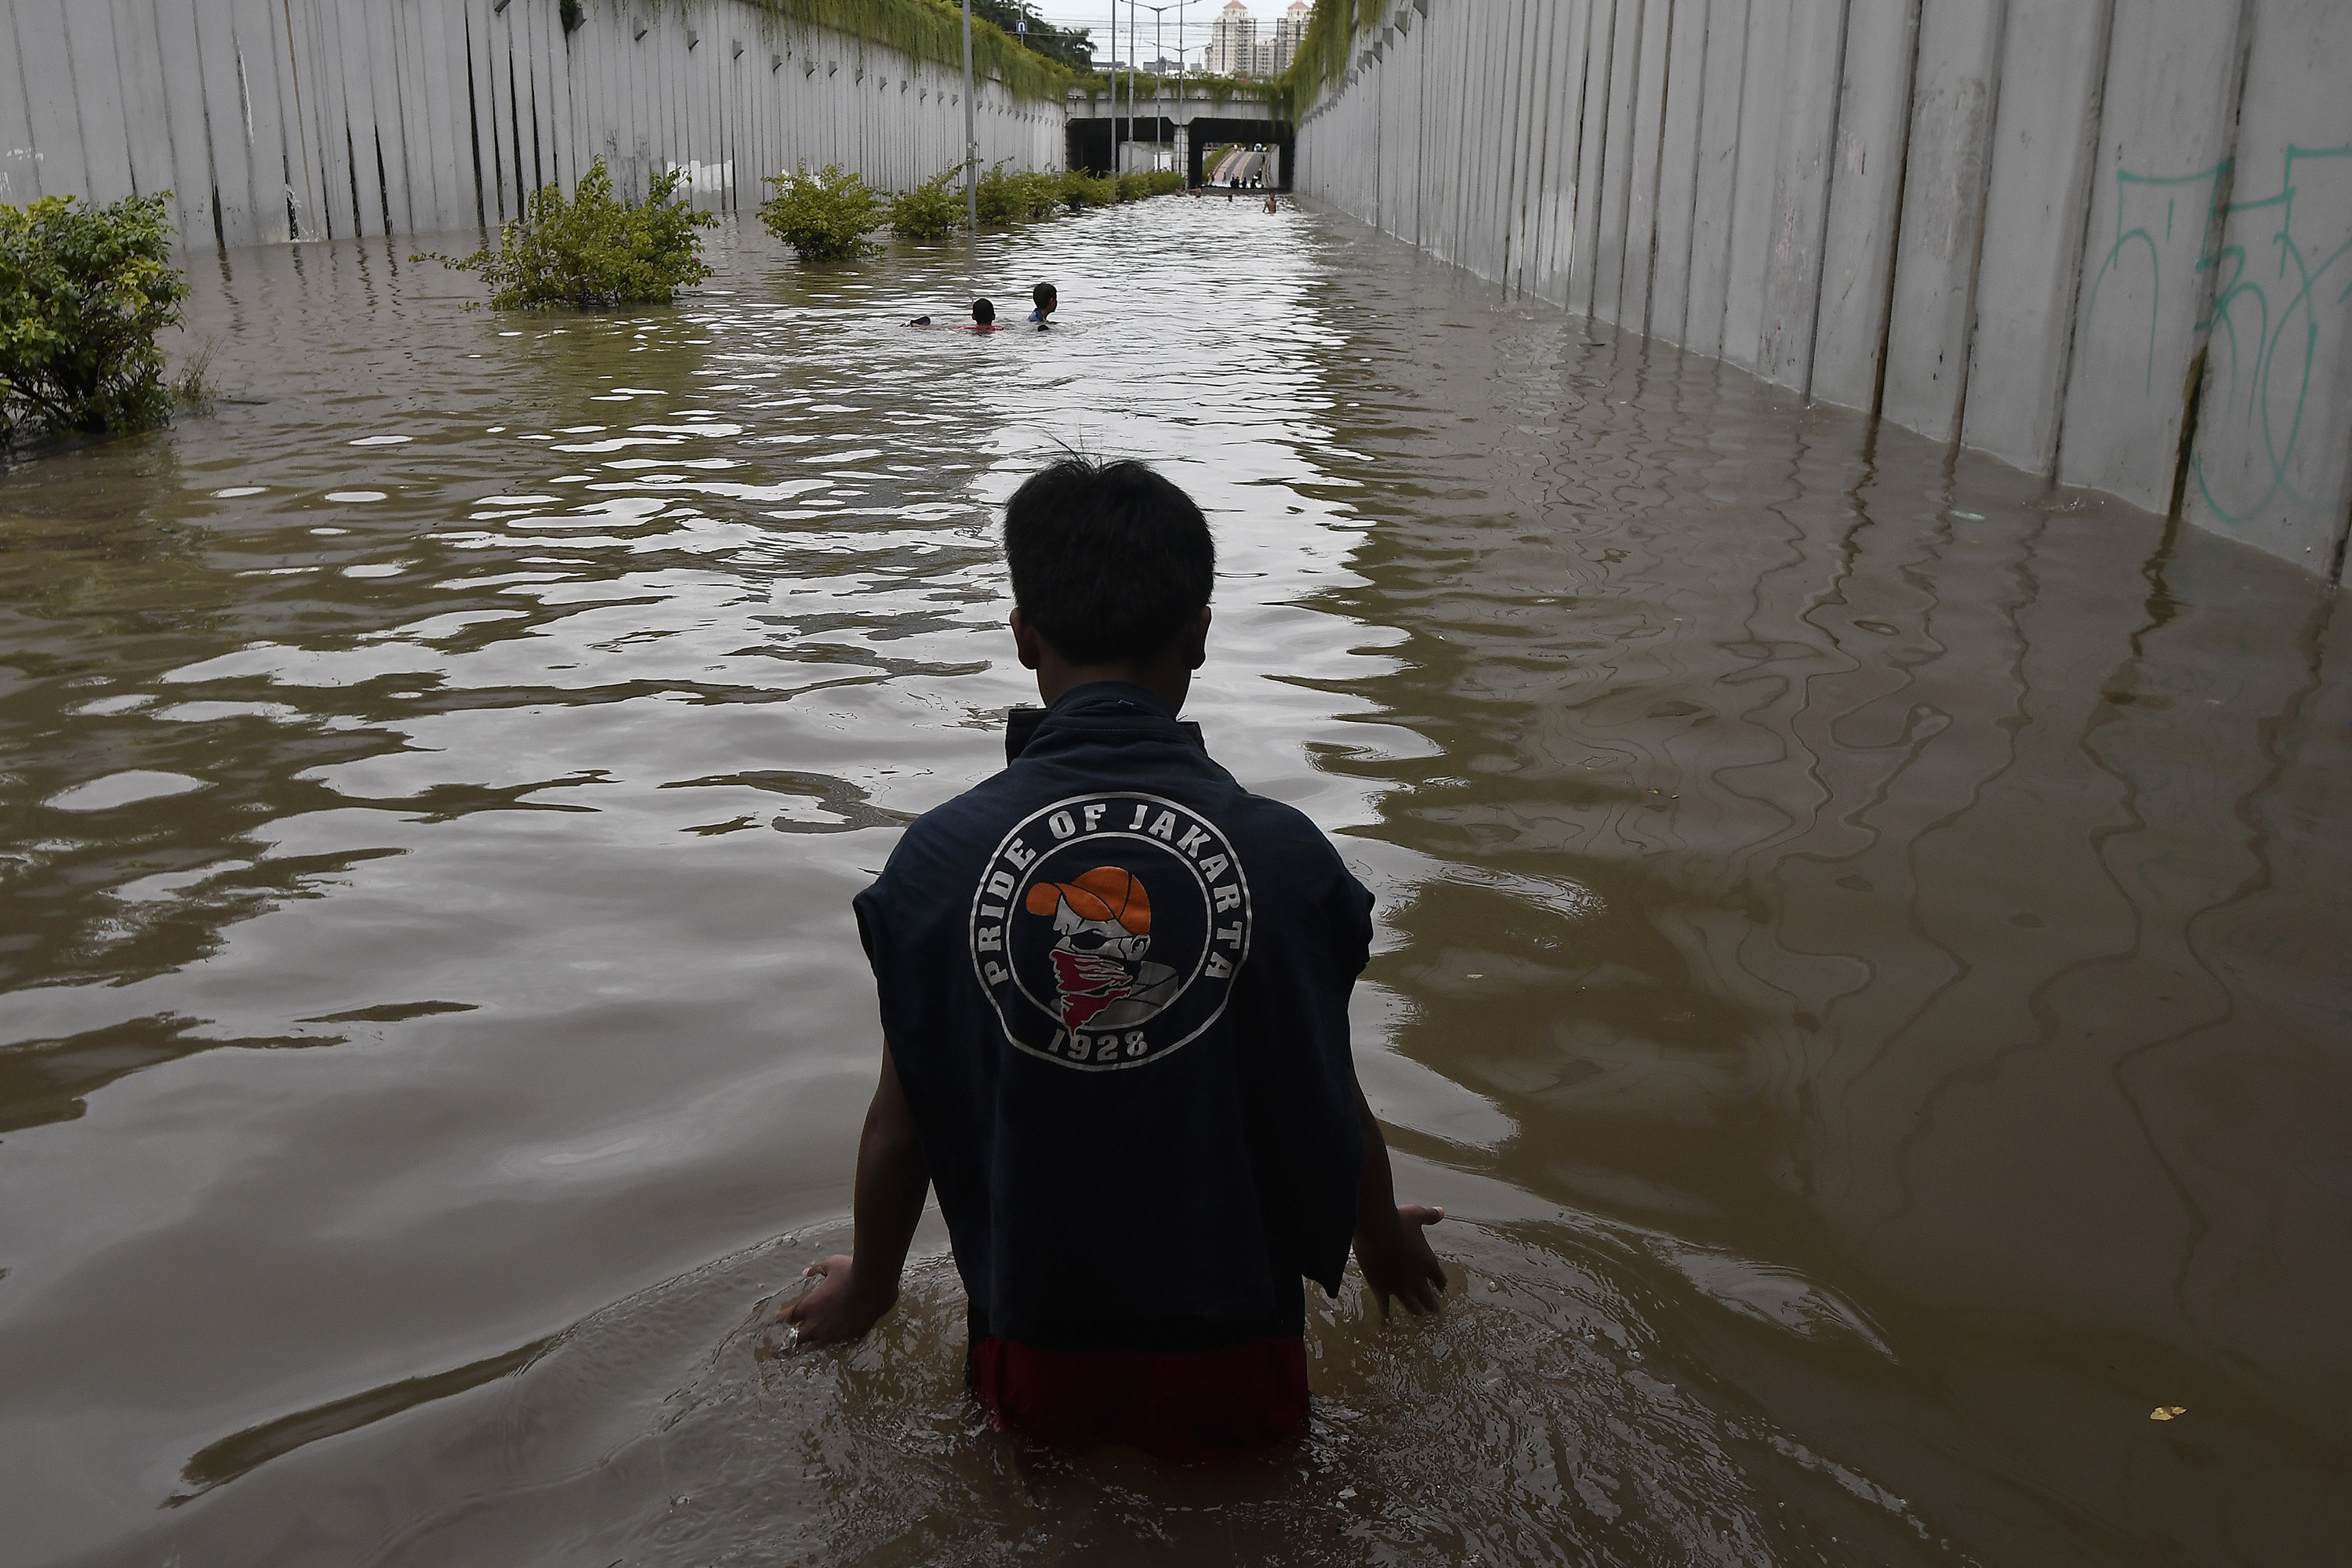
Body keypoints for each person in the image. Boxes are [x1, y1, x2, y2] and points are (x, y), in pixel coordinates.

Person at [779, 456, 1447, 1462]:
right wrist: (1379, 1238)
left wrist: (871, 1289)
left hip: (1035, 1340)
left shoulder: (939, 860)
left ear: (1023, 636)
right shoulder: (1286, 856)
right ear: (1200, 634)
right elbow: (1321, 1087)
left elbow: (899, 1123)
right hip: (1241, 1342)